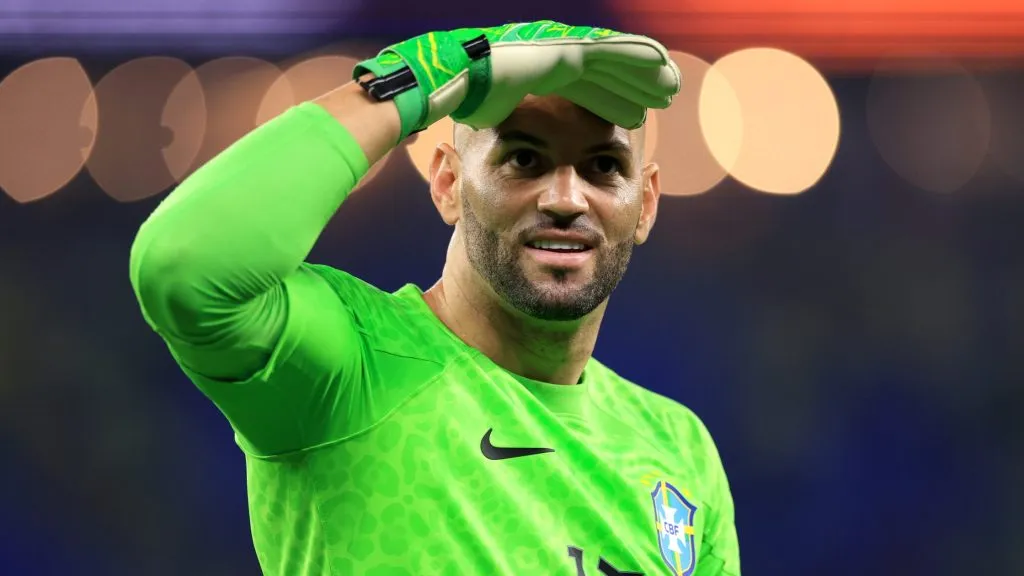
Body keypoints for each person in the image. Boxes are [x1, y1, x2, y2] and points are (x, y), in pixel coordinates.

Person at [130, 21, 740, 576]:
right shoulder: (353, 364)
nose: (565, 199)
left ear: (646, 203)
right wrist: (421, 75)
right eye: (523, 158)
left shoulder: (678, 446)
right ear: (448, 183)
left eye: (603, 166)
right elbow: (182, 266)